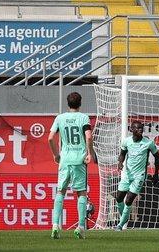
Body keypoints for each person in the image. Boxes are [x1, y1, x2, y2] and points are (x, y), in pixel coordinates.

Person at [48, 91, 95, 239]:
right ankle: (81, 228)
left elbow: (50, 138)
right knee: (81, 193)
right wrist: (90, 153)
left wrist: (56, 155)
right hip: (79, 160)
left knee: (60, 191)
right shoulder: (83, 118)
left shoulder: (60, 118)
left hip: (65, 160)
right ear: (80, 103)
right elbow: (88, 137)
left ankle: (55, 225)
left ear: (68, 104)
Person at [115, 120, 159, 231]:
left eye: (141, 128)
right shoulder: (126, 142)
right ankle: (124, 217)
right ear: (131, 130)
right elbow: (122, 154)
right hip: (127, 174)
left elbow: (157, 157)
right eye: (137, 128)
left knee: (129, 200)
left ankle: (120, 226)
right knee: (119, 198)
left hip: (139, 176)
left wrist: (155, 174)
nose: (140, 130)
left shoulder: (148, 143)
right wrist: (120, 163)